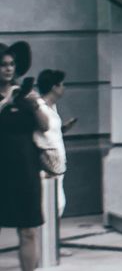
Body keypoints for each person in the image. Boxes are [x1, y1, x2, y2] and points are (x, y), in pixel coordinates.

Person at [0, 41, 47, 271]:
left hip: (25, 171)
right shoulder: (6, 98)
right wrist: (6, 102)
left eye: (11, 65)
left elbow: (45, 127)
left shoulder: (24, 95)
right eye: (3, 65)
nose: (8, 69)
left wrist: (35, 104)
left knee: (29, 230)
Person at [33, 69, 73, 217]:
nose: (64, 88)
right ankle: (46, 240)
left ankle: (52, 239)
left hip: (58, 165)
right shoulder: (39, 108)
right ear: (54, 87)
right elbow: (36, 136)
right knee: (48, 207)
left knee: (58, 205)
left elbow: (50, 133)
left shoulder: (52, 107)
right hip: (47, 168)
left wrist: (63, 129)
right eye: (61, 84)